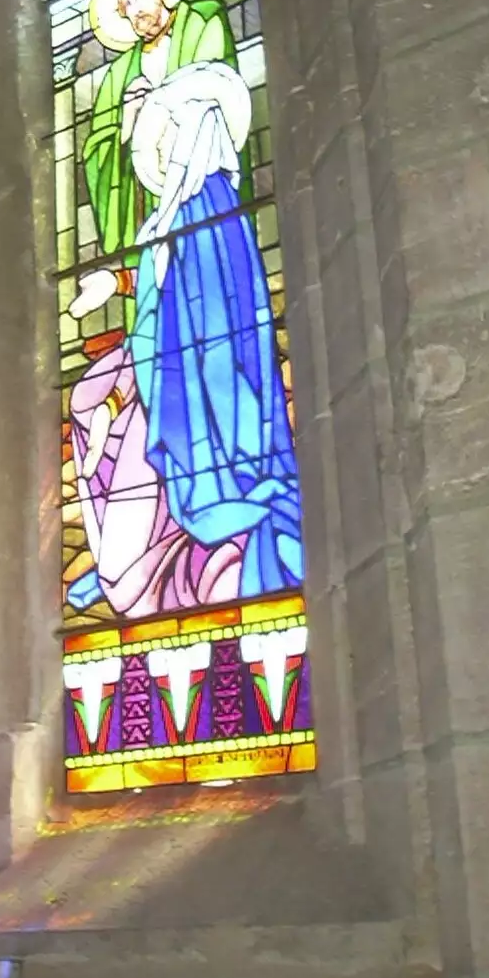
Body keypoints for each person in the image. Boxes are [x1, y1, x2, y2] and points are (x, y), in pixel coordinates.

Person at [67, 0, 251, 616]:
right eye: (125, 3)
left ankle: (213, 524)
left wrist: (162, 105)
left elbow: (212, 92)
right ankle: (151, 542)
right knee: (148, 379)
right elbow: (100, 149)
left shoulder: (201, 23)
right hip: (153, 224)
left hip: (194, 214)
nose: (135, 9)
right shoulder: (120, 74)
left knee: (201, 378)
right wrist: (126, 120)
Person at [125, 59, 303, 597]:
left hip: (221, 350)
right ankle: (207, 483)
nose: (173, 150)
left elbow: (230, 306)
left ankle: (234, 481)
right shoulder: (185, 214)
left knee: (225, 393)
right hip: (188, 345)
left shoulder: (216, 208)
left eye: (180, 134)